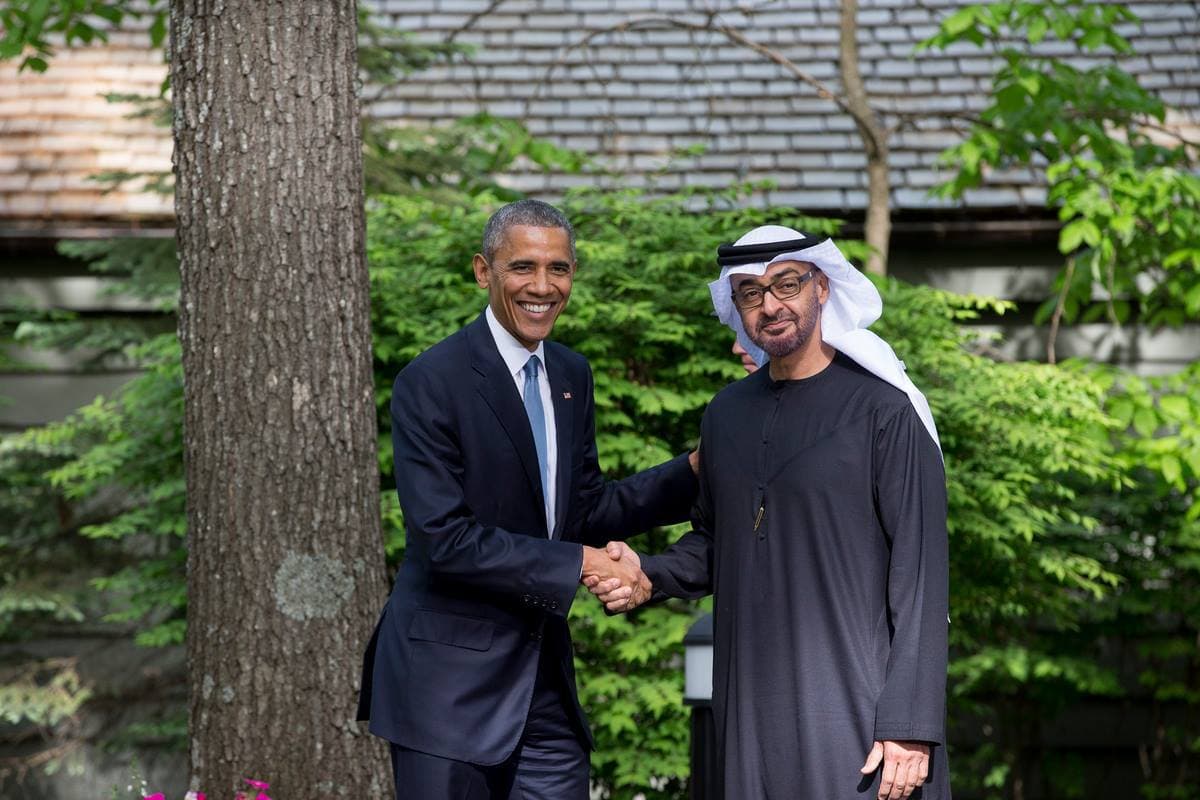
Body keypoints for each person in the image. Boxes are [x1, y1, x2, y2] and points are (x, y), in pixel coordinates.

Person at [589, 225, 951, 799]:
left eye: (786, 284)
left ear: (822, 288)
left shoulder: (885, 412)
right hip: (751, 704)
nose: (770, 306)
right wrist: (647, 576)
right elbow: (716, 540)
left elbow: (922, 576)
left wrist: (910, 727)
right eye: (751, 294)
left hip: (859, 710)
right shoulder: (726, 415)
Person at [357, 199, 697, 799]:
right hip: (446, 691)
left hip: (544, 685)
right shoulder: (431, 382)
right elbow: (445, 541)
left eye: (559, 269)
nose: (543, 286)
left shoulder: (572, 374)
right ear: (483, 272)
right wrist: (583, 563)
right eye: (523, 268)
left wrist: (696, 470)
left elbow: (581, 511)